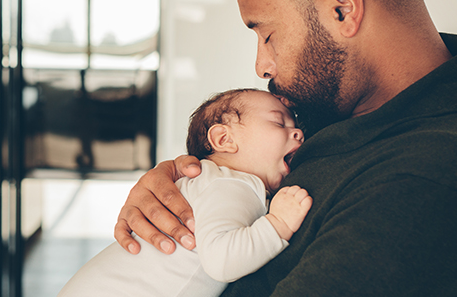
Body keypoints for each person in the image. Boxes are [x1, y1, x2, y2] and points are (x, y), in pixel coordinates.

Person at [115, 0, 457, 296]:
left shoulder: (430, 183)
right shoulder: (342, 105)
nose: (261, 66)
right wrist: (187, 183)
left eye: (268, 34)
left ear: (343, 8)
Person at [58, 88, 312, 297]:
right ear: (224, 139)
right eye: (279, 123)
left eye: (295, 125)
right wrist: (277, 224)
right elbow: (221, 260)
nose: (298, 133)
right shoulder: (233, 184)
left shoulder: (209, 182)